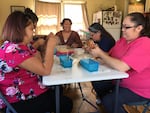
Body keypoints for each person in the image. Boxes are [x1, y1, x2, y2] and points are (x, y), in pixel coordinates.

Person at [0, 11, 73, 113]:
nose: (33, 31)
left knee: (59, 89)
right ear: (20, 30)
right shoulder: (13, 50)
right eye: (31, 29)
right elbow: (45, 70)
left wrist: (47, 43)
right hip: (20, 100)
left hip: (29, 86)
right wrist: (51, 46)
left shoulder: (24, 45)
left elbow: (39, 59)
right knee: (66, 103)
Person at [89, 12, 150, 113]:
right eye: (122, 26)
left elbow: (122, 67)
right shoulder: (122, 41)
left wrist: (100, 53)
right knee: (98, 83)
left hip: (139, 89)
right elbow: (109, 56)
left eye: (126, 27)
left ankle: (109, 104)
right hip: (118, 82)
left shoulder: (145, 43)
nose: (122, 30)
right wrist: (96, 51)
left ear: (139, 28)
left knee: (109, 100)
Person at [87, 23, 116, 105]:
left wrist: (92, 51)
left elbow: (102, 55)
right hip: (105, 64)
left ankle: (103, 97)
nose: (91, 37)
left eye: (92, 35)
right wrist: (89, 48)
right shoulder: (99, 39)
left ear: (99, 33)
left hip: (110, 66)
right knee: (93, 76)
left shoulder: (106, 40)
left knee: (95, 78)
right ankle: (101, 95)